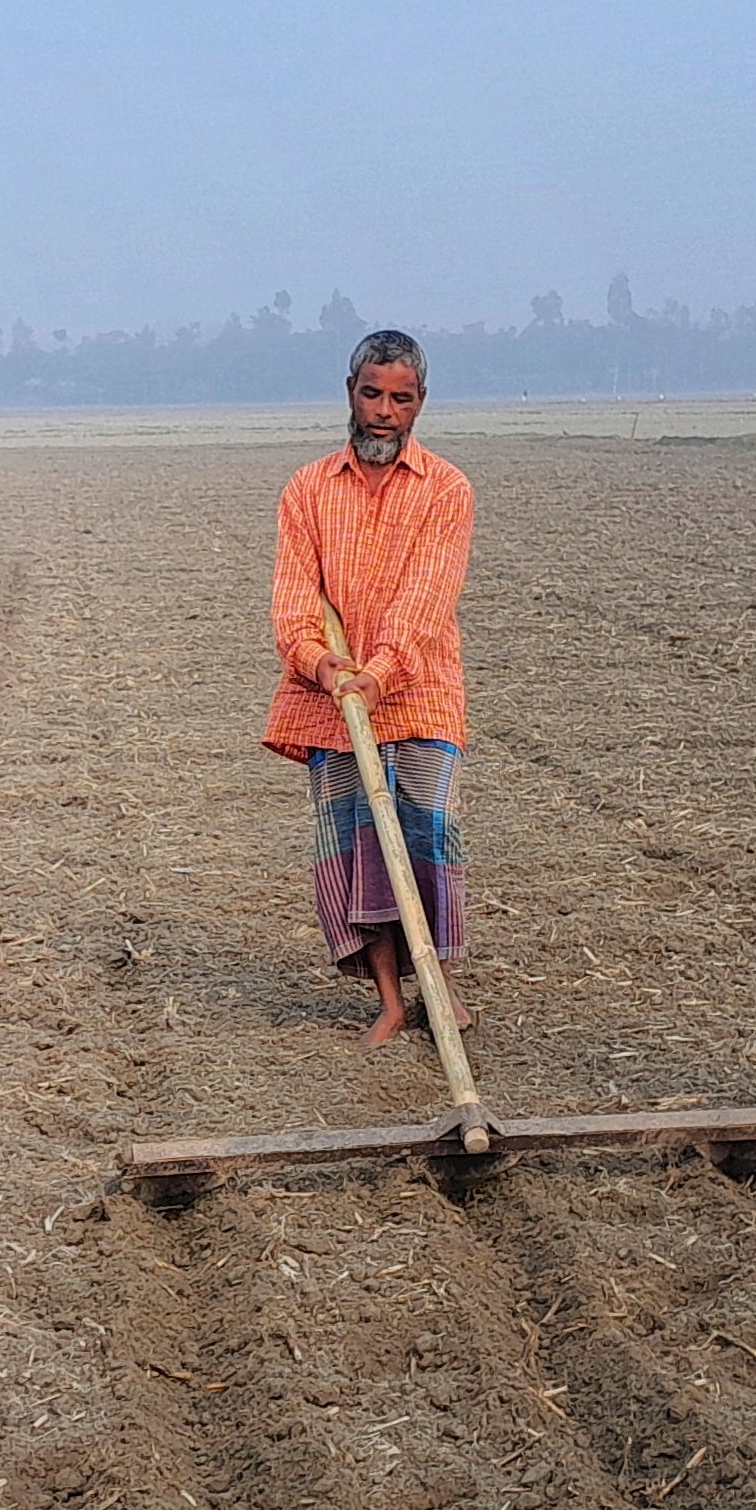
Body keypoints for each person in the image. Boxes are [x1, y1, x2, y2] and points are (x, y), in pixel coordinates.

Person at [266, 329, 476, 1047]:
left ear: (421, 404)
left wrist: (378, 672)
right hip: (332, 704)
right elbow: (293, 602)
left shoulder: (446, 489)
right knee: (359, 851)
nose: (384, 411)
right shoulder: (307, 490)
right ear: (350, 394)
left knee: (426, 837)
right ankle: (389, 1001)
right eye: (371, 394)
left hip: (417, 692)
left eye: (401, 398)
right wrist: (325, 668)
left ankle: (441, 992)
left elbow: (427, 599)